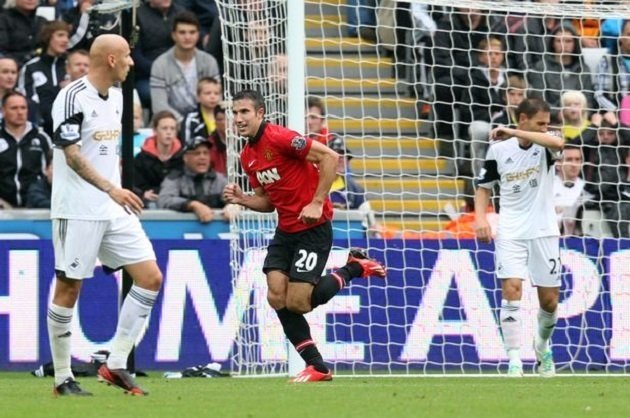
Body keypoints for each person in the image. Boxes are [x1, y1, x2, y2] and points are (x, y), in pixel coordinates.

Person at [223, 90, 386, 383]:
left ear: (260, 113)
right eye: (235, 113)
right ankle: (318, 366)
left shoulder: (281, 138)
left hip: (313, 228)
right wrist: (242, 199)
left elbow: (330, 157)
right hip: (286, 230)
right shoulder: (247, 156)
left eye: (245, 112)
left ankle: (355, 267)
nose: (239, 118)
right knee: (276, 295)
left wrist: (316, 200)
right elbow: (267, 202)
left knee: (299, 302)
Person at [48, 34, 162, 396]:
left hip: (113, 207)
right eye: (127, 57)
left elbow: (105, 152)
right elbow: (73, 155)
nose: (132, 63)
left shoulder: (117, 98)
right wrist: (111, 187)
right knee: (69, 287)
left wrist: (116, 192)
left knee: (150, 277)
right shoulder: (70, 97)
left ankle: (115, 363)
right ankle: (63, 377)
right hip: (78, 208)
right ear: (112, 59)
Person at [474, 98, 565, 378]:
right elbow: (483, 187)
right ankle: (514, 360)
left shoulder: (545, 146)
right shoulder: (498, 150)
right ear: (522, 118)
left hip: (544, 230)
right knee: (511, 291)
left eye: (547, 124)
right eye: (540, 123)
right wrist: (480, 219)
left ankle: (542, 344)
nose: (546, 128)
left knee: (549, 301)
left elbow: (558, 144)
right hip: (511, 230)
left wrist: (514, 132)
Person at [150, 11, 220, 122]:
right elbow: (159, 106)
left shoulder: (209, 61)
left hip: (205, 123)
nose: (187, 37)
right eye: (182, 32)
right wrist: (185, 124)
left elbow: (216, 97)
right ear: (173, 35)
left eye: (192, 32)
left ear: (198, 34)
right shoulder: (160, 64)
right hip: (173, 125)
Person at [157, 136, 234, 222]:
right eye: (197, 153)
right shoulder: (175, 178)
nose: (202, 157)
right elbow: (164, 200)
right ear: (185, 158)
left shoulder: (219, 179)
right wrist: (192, 205)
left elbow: (236, 198)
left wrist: (234, 206)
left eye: (206, 153)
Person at [18, 20, 70, 136]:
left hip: (70, 130)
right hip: (40, 131)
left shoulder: (71, 65)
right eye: (60, 35)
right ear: (48, 37)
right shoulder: (31, 67)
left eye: (67, 36)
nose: (65, 40)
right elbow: (28, 101)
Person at [0, 91, 52, 208]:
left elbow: (51, 172)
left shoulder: (42, 138)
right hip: (2, 208)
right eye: (14, 108)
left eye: (23, 108)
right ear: (3, 111)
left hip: (36, 206)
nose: (20, 112)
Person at [134, 110, 183, 208]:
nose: (169, 132)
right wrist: (142, 194)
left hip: (177, 202)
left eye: (172, 129)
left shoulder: (183, 158)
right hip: (148, 204)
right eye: (164, 128)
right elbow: (134, 185)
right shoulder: (141, 158)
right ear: (155, 131)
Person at [0, 0, 48, 66]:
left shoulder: (42, 22)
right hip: (13, 68)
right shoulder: (3, 20)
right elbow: (2, 50)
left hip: (40, 67)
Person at [553, 144, 587, 236]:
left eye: (577, 159)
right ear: (558, 163)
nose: (574, 164)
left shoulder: (587, 188)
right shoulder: (547, 187)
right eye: (569, 159)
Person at [180, 77, 222, 145]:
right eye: (208, 93)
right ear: (198, 97)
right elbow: (186, 144)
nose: (212, 97)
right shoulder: (191, 119)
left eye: (216, 93)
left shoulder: (226, 116)